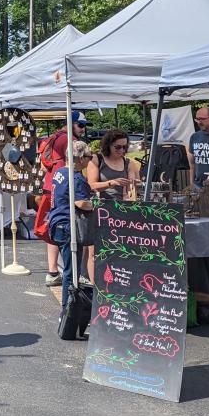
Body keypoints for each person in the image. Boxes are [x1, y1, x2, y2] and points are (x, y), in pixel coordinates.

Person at [35, 111, 89, 287]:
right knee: (68, 228)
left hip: (52, 186)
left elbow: (43, 165)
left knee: (53, 226)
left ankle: (52, 271)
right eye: (80, 125)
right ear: (71, 123)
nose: (83, 129)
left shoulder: (53, 137)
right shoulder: (70, 141)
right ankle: (71, 278)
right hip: (65, 189)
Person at [50, 142, 95, 290]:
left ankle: (66, 308)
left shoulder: (60, 172)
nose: (91, 160)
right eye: (89, 156)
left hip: (56, 222)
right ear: (81, 158)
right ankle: (67, 310)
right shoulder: (76, 178)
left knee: (69, 270)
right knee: (71, 273)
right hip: (68, 226)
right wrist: (96, 205)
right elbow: (81, 203)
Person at [87, 128, 140, 201]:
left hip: (123, 205)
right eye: (118, 147)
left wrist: (134, 184)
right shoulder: (97, 159)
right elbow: (91, 185)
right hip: (102, 204)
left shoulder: (129, 163)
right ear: (108, 145)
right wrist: (111, 183)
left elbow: (132, 191)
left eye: (124, 147)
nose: (121, 150)